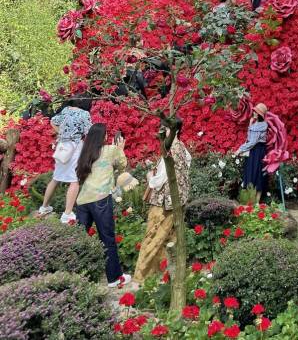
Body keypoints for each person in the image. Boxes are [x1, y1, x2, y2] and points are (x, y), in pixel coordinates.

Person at [133, 119, 192, 283]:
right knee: (170, 238)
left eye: (165, 129)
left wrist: (149, 178)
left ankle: (143, 275)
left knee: (153, 237)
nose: (162, 132)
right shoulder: (182, 148)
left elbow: (161, 179)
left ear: (175, 130)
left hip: (163, 202)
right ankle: (164, 273)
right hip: (177, 201)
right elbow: (187, 164)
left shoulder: (170, 149)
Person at [75, 124, 131, 287]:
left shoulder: (86, 152)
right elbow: (122, 165)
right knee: (107, 238)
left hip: (83, 200)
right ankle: (114, 278)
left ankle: (75, 275)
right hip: (101, 199)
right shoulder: (111, 150)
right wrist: (120, 149)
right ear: (103, 136)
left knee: (79, 239)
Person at [38, 96, 92, 223]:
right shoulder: (84, 114)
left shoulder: (66, 110)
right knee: (74, 180)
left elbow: (53, 121)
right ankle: (67, 213)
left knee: (56, 177)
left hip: (62, 147)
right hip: (75, 147)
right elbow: (89, 131)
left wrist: (61, 133)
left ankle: (44, 207)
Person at [234, 102, 268, 201]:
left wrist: (240, 149)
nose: (254, 113)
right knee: (251, 172)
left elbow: (252, 142)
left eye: (256, 112)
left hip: (257, 152)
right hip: (253, 151)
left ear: (260, 114)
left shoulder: (262, 125)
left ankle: (256, 202)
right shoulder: (255, 124)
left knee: (257, 173)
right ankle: (251, 201)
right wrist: (250, 124)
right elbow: (249, 139)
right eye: (254, 111)